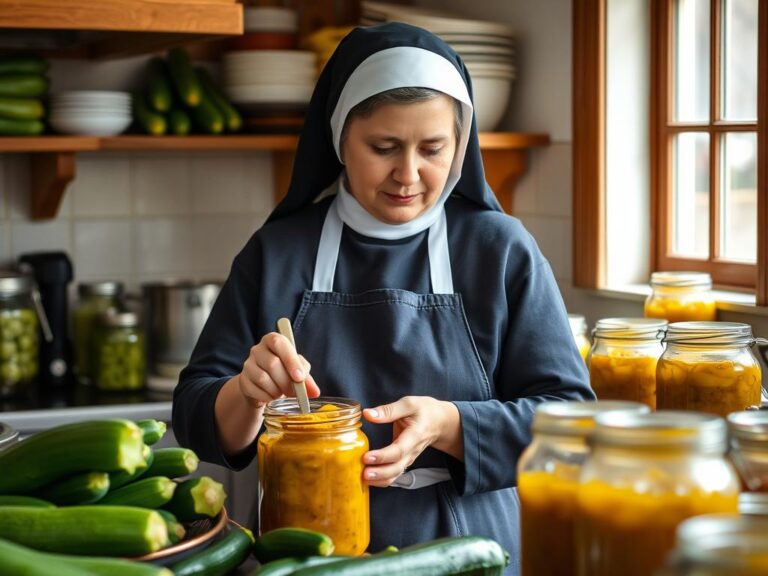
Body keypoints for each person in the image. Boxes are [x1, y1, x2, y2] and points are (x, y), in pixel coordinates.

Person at [172, 22, 593, 575]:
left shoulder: (499, 249)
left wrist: (451, 424)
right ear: (340, 138)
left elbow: (572, 421)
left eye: (434, 149)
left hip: (472, 551)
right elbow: (193, 413)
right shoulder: (278, 252)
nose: (409, 174)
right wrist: (245, 395)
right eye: (384, 147)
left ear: (462, 146)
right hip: (307, 555)